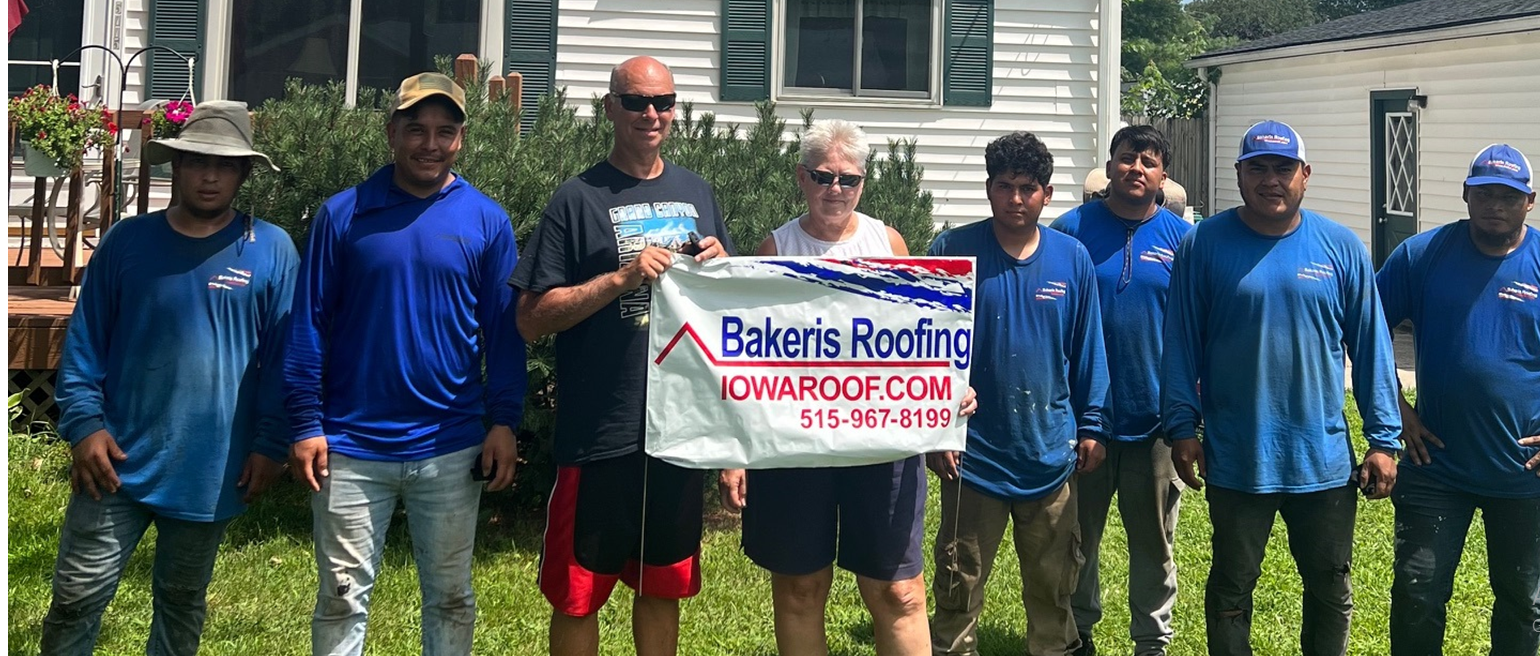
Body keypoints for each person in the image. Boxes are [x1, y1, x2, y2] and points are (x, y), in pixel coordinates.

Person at [713, 118, 976, 656]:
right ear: (801, 178)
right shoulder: (775, 249)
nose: (835, 190)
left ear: (864, 182)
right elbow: (743, 358)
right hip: (794, 447)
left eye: (848, 179)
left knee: (899, 592)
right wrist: (733, 452)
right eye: (822, 176)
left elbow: (923, 337)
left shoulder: (889, 242)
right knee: (800, 588)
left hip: (880, 446)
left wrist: (947, 393)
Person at [285, 72, 526, 656]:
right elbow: (308, 324)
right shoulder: (343, 215)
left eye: (445, 131)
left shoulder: (486, 221)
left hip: (450, 445)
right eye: (415, 129)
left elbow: (504, 331)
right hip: (350, 444)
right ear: (391, 132)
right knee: (341, 599)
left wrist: (504, 421)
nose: (429, 143)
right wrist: (304, 423)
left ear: (461, 140)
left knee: (450, 597)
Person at [44, 100, 294, 656]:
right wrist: (84, 426)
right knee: (76, 597)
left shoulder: (272, 250)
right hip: (114, 461)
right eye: (197, 162)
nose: (209, 176)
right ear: (174, 167)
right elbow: (85, 343)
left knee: (182, 602)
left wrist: (271, 444)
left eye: (225, 165)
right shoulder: (127, 243)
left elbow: (284, 360)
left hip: (211, 467)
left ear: (243, 174)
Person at [511, 56, 732, 656]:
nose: (650, 114)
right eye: (635, 102)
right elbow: (530, 319)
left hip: (679, 432)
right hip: (602, 428)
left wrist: (719, 270)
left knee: (661, 588)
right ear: (609, 107)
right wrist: (622, 277)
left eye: (662, 102)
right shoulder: (577, 198)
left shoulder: (696, 193)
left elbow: (727, 319)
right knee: (579, 595)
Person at [1161, 120, 1402, 656]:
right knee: (1230, 587)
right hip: (1238, 455)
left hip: (1322, 461)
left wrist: (1384, 440)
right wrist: (1182, 425)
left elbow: (1371, 349)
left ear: (1305, 175)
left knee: (1330, 587)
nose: (1272, 180)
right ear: (1240, 175)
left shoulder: (1340, 247)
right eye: (1259, 168)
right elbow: (1180, 343)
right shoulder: (1204, 244)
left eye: (1283, 168)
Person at [928, 131, 1110, 656]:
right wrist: (937, 430)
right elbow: (926, 352)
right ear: (988, 188)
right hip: (972, 459)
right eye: (1004, 186)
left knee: (1055, 591)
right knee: (957, 588)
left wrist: (1092, 425)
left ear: (1046, 195)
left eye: (1027, 188)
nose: (1014, 199)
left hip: (1049, 456)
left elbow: (1088, 349)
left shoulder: (1072, 259)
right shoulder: (952, 251)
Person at [1377, 143, 1540, 656]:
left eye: (1508, 196)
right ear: (1467, 194)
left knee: (1524, 601)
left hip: (1523, 472)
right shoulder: (1423, 255)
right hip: (1435, 467)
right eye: (1485, 193)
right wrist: (1397, 411)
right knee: (1418, 594)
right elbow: (1365, 330)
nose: (1495, 204)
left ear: (1529, 201)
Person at [1051, 125, 1191, 656]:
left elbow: (1196, 329)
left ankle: (1151, 642)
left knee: (1155, 544)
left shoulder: (1183, 241)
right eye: (1127, 158)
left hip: (1155, 419)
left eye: (1149, 161)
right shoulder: (1070, 232)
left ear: (1162, 176)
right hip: (1082, 418)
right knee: (1076, 538)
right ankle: (1076, 634)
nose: (1137, 168)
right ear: (1109, 167)